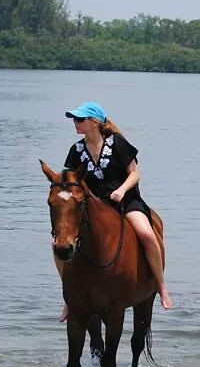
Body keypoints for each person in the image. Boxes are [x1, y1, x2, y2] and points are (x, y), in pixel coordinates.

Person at [55, 102, 172, 321]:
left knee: (146, 234)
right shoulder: (76, 150)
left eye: (80, 119)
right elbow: (69, 180)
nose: (75, 123)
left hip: (125, 201)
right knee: (58, 244)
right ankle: (69, 298)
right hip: (92, 207)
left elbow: (134, 174)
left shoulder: (118, 144)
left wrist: (121, 190)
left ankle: (161, 285)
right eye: (74, 119)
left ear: (95, 122)